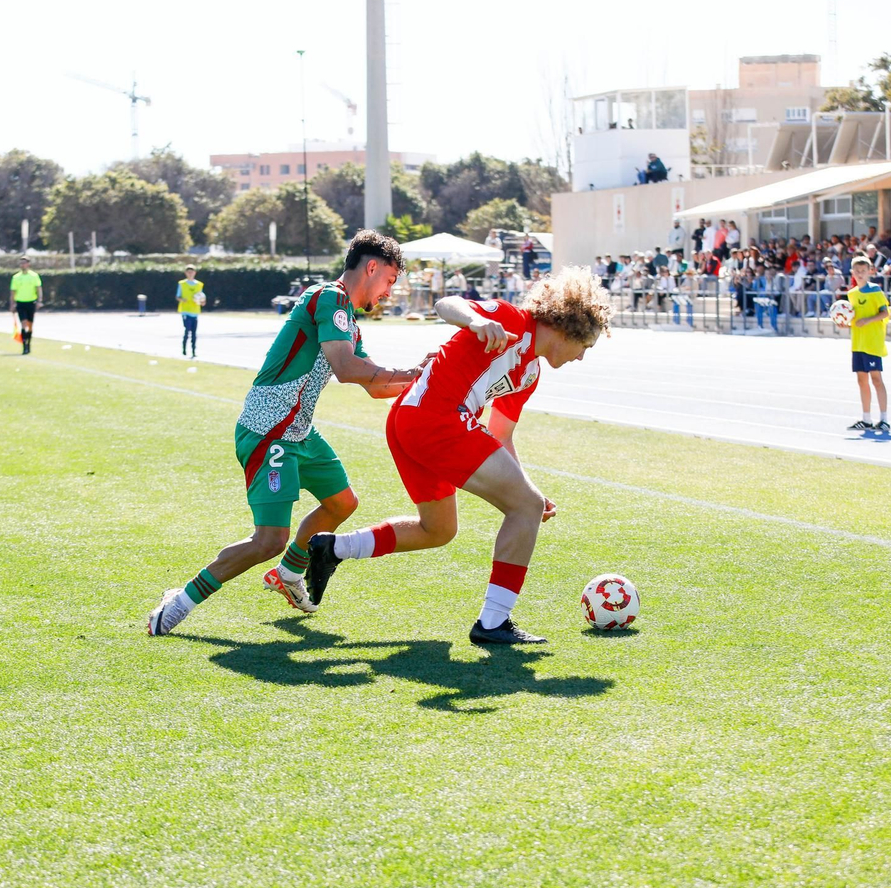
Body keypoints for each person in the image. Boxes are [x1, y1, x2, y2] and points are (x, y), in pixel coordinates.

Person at [304, 268, 613, 645]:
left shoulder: (530, 373)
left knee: (438, 529)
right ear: (569, 328)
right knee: (524, 507)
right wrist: (475, 320)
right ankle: (493, 623)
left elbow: (501, 435)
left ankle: (333, 548)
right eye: (586, 346)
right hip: (435, 418)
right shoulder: (512, 320)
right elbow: (445, 304)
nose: (581, 357)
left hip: (410, 419)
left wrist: (529, 491)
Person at [147, 231, 431, 635]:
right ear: (372, 267)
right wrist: (412, 373)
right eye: (389, 280)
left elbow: (374, 385)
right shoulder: (328, 298)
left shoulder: (348, 319)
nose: (388, 292)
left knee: (342, 502)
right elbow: (348, 369)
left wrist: (426, 379)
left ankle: (289, 574)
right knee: (269, 540)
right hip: (269, 431)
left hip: (298, 431)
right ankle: (180, 600)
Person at [844, 255, 890, 433]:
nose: (860, 274)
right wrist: (844, 323)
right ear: (852, 272)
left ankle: (884, 419)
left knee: (876, 379)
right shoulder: (852, 294)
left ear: (869, 271)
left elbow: (884, 313)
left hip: (872, 342)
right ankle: (866, 419)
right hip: (858, 342)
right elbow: (853, 317)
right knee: (861, 380)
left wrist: (868, 320)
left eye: (863, 271)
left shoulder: (875, 290)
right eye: (857, 271)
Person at [9, 256, 42, 354]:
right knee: (23, 324)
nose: (22, 265)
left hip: (31, 302)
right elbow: (13, 292)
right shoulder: (16, 277)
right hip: (20, 303)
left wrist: (39, 301)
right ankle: (24, 346)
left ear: (28, 264)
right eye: (21, 263)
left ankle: (29, 343)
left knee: (30, 325)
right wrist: (12, 304)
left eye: (24, 263)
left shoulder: (34, 276)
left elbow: (38, 289)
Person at [175, 265, 204, 358]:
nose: (190, 274)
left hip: (195, 311)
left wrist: (202, 301)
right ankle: (184, 349)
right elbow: (178, 296)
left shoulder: (199, 284)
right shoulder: (182, 284)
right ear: (186, 273)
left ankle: (193, 350)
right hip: (185, 311)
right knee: (187, 330)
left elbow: (201, 297)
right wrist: (182, 300)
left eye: (192, 272)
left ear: (195, 273)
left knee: (194, 332)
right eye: (188, 272)